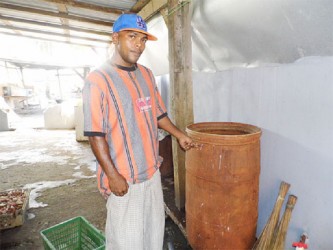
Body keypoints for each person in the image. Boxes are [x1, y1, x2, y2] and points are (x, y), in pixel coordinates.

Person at [82, 13, 194, 250]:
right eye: (132, 36)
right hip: (124, 180)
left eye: (143, 39)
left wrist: (179, 134)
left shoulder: (146, 74)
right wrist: (112, 175)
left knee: (153, 236)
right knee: (126, 243)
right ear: (115, 38)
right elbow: (95, 134)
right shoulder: (98, 80)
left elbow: (158, 114)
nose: (139, 44)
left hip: (151, 173)